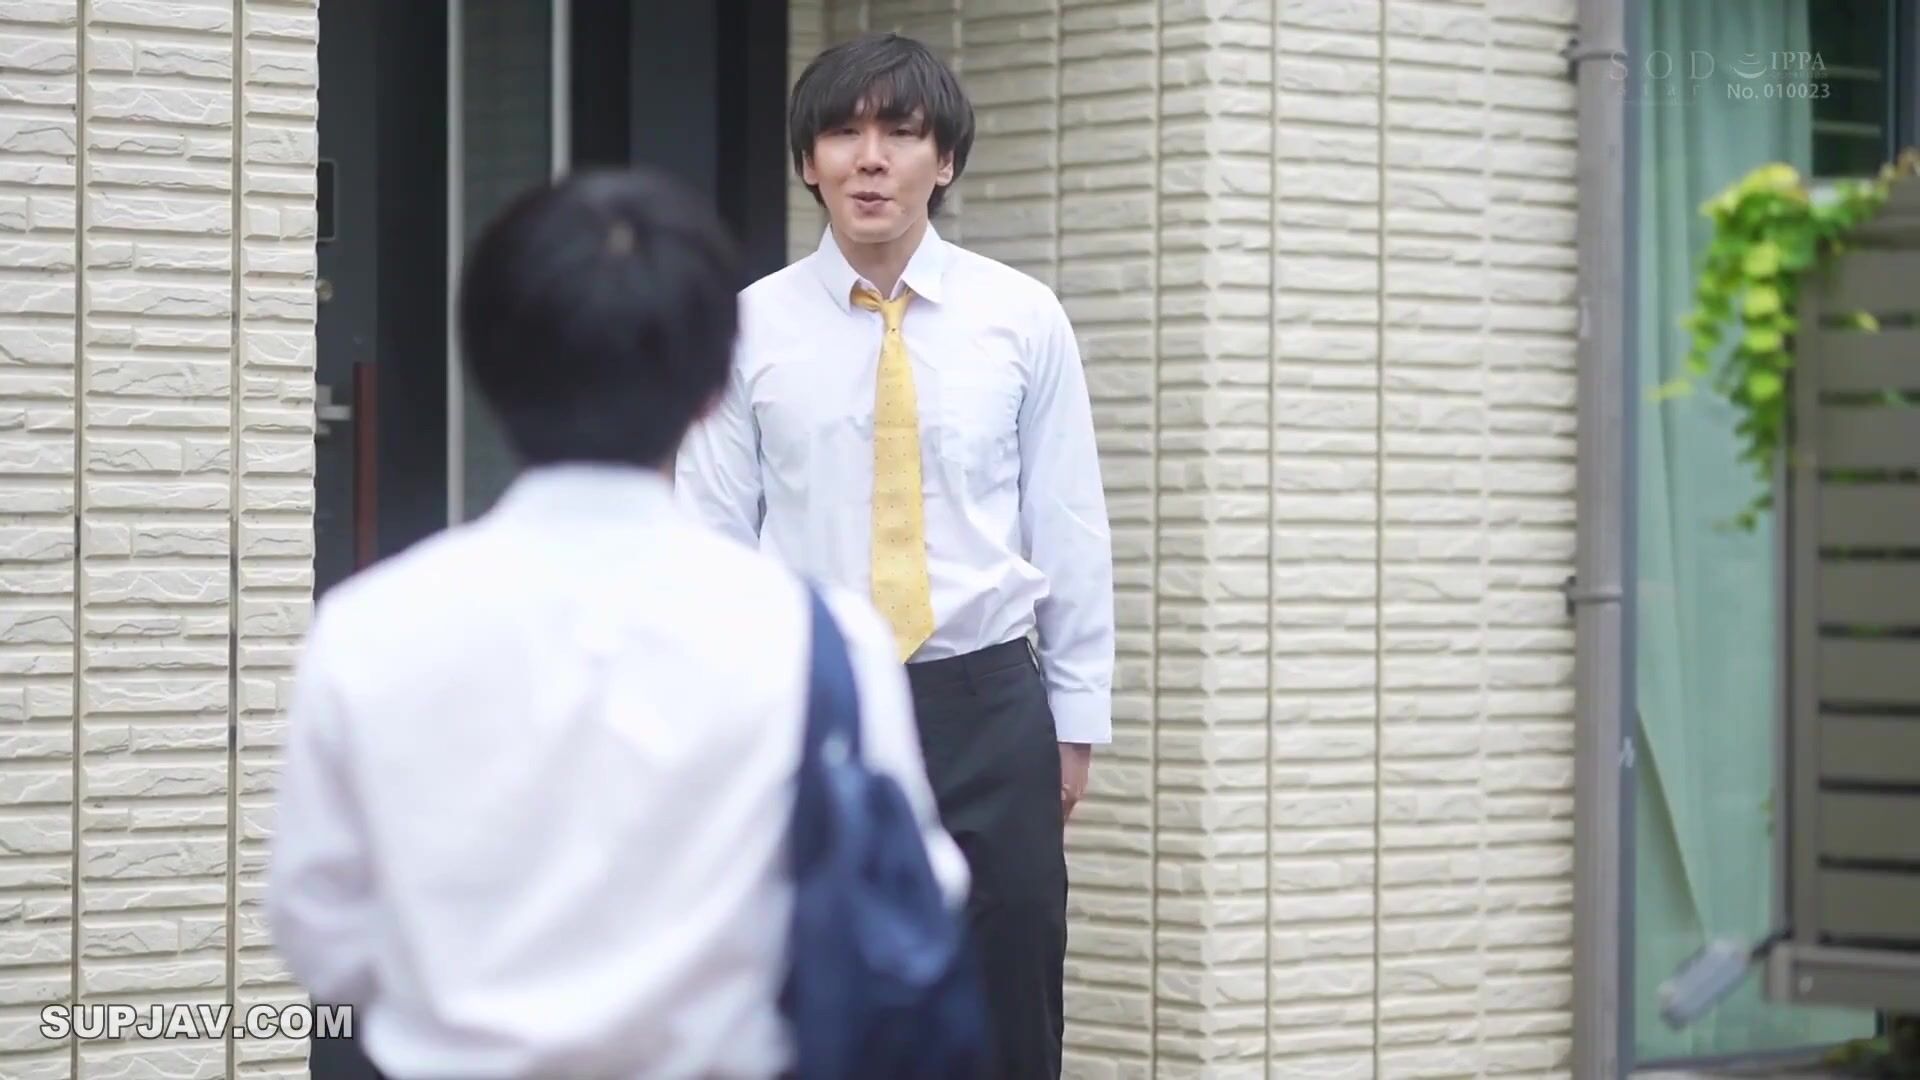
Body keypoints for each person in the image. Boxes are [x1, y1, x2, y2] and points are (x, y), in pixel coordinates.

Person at [266, 167, 969, 1079]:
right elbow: (917, 893)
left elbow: (320, 928)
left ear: (485, 367)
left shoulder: (368, 628)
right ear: (712, 389)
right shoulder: (822, 638)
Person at [674, 31, 1116, 1080]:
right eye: (843, 133)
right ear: (808, 161)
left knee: (1009, 998)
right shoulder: (747, 329)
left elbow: (1067, 520)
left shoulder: (1022, 319)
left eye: (902, 134)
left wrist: (1075, 719)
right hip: (814, 701)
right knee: (817, 1002)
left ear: (944, 160)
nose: (870, 159)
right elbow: (709, 538)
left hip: (987, 699)